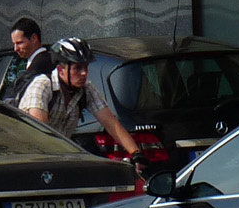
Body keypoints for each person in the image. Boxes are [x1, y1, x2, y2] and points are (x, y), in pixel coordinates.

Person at [19, 37, 146, 165]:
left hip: (59, 158)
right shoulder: (42, 86)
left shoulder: (86, 89)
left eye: (86, 67)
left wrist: (136, 153)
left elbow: (110, 123)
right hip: (30, 158)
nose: (84, 73)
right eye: (78, 68)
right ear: (60, 70)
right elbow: (40, 133)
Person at [3, 17, 53, 105]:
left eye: (19, 43)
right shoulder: (47, 60)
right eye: (14, 44)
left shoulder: (40, 66)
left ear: (34, 38)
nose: (16, 49)